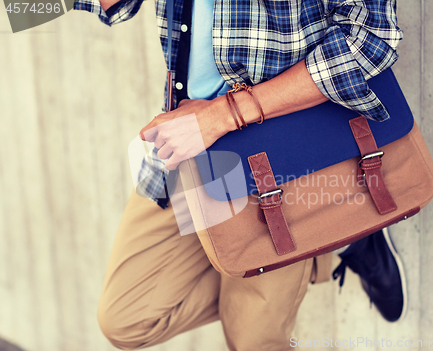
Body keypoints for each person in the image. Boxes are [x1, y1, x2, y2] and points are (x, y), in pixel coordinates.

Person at [74, 0, 406, 349]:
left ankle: (329, 231)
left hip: (277, 151)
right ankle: (334, 233)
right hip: (190, 140)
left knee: (251, 341)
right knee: (127, 319)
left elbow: (371, 37)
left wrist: (224, 115)